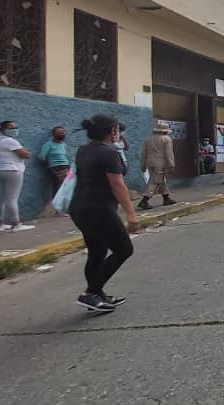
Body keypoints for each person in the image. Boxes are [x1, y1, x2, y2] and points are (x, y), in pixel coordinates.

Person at [70, 114, 138, 312]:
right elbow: (117, 184)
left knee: (97, 252)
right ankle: (90, 293)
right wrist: (131, 214)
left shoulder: (83, 150)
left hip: (80, 208)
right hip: (98, 209)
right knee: (124, 249)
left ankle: (97, 295)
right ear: (112, 131)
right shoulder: (109, 154)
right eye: (117, 129)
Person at [0, 120, 33, 232]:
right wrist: (26, 152)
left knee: (0, 198)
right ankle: (16, 224)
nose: (15, 130)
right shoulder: (11, 141)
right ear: (4, 129)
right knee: (12, 198)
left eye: (16, 127)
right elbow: (25, 154)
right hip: (13, 171)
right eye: (11, 128)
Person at [138, 120, 177, 210]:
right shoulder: (166, 139)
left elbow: (144, 153)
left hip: (150, 162)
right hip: (160, 163)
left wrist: (143, 165)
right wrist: (171, 164)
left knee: (161, 180)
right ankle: (144, 200)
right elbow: (169, 154)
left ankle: (166, 198)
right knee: (155, 181)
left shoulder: (148, 139)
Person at [38, 126, 70, 201]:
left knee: (68, 186)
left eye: (63, 132)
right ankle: (56, 208)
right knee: (59, 188)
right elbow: (41, 157)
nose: (62, 134)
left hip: (66, 167)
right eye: (59, 132)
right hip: (56, 168)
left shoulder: (63, 145)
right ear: (54, 134)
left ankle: (62, 207)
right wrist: (49, 165)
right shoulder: (49, 144)